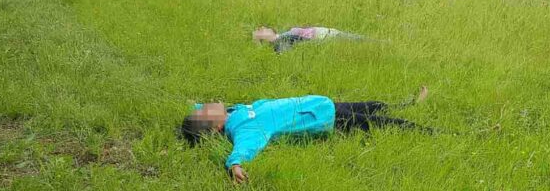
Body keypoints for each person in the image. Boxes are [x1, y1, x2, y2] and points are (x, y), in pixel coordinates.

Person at [180, 87, 430, 183]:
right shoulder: (243, 128)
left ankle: (407, 103)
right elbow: (246, 146)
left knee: (372, 104)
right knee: (384, 124)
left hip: (320, 105)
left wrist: (193, 108)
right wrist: (235, 164)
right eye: (204, 110)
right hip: (324, 120)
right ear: (216, 128)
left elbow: (198, 113)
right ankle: (432, 132)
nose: (207, 104)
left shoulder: (233, 112)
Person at [252, 26, 367, 53]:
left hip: (330, 34)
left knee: (363, 41)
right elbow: (284, 53)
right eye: (260, 31)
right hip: (329, 37)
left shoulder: (283, 36)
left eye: (264, 28)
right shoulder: (281, 43)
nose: (263, 29)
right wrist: (256, 41)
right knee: (364, 41)